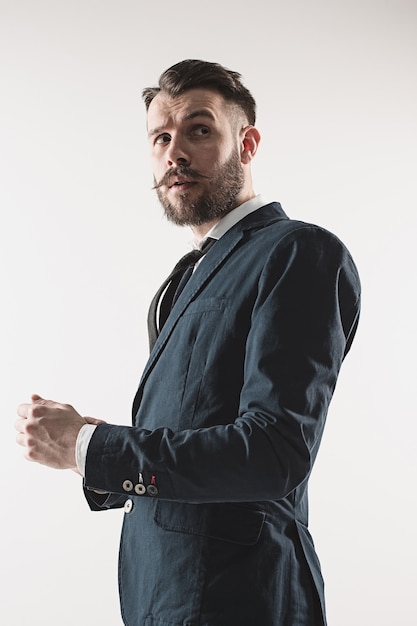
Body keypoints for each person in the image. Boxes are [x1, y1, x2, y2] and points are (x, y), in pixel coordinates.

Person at [15, 59, 361, 626]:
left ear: (247, 144)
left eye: (200, 130)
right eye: (161, 136)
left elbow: (274, 452)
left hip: (240, 597)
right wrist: (93, 445)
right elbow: (196, 430)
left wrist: (90, 448)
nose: (175, 151)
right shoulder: (190, 274)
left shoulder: (297, 251)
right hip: (161, 596)